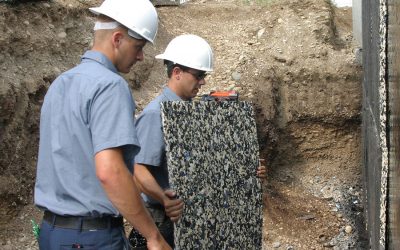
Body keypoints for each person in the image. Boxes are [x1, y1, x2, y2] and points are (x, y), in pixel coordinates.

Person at [34, 0, 171, 249]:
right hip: (93, 237)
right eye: (138, 47)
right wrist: (153, 236)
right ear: (117, 39)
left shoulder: (60, 84)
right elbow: (110, 172)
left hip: (52, 233)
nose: (141, 57)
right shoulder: (110, 86)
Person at [131, 34, 267, 248]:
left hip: (193, 218)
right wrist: (165, 199)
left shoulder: (193, 113)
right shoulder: (155, 114)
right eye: (199, 75)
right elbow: (138, 170)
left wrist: (248, 170)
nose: (203, 81)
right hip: (161, 220)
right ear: (177, 72)